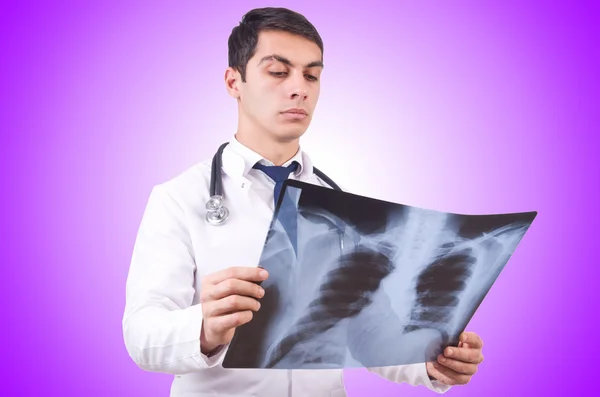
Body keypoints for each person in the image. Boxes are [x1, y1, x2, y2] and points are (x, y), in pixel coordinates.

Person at [122, 7, 485, 397]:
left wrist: (430, 361)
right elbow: (141, 335)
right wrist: (205, 329)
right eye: (278, 72)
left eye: (311, 74)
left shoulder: (341, 207)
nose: (300, 88)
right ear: (234, 82)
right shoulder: (178, 198)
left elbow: (368, 332)